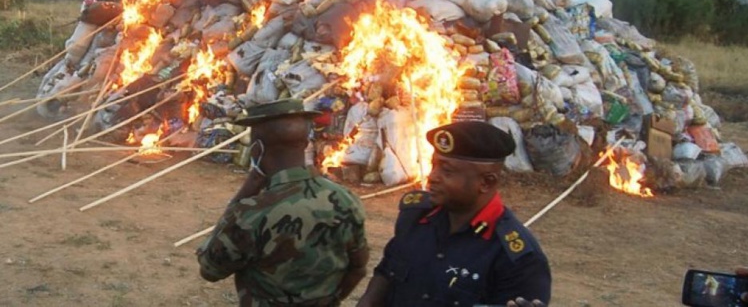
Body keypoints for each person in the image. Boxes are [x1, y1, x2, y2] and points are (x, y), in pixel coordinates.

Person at [356, 121, 551, 307]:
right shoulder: (415, 217)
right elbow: (387, 273)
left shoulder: (518, 258)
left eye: (447, 171)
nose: (432, 177)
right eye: (434, 165)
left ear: (486, 183)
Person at [197, 99, 369, 306]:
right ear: (306, 144)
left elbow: (210, 269)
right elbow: (358, 268)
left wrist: (244, 193)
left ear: (257, 150)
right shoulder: (345, 199)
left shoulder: (251, 212)